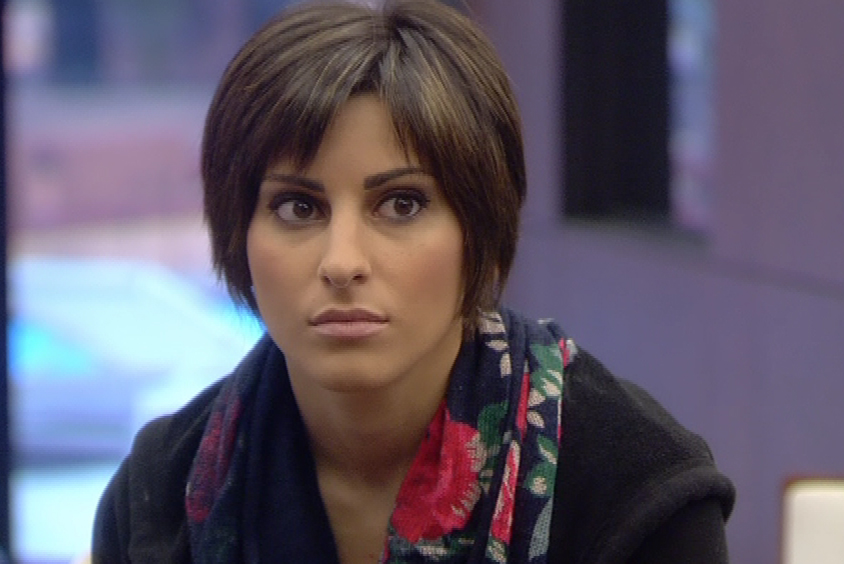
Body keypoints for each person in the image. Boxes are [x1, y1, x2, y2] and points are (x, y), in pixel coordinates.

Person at [92, 1, 735, 562]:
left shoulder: (633, 490)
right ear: (239, 234)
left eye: (401, 204)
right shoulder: (160, 493)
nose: (342, 261)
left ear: (478, 228)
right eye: (297, 207)